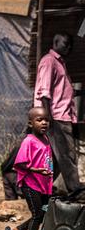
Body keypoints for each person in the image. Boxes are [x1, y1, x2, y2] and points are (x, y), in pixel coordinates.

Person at [34, 33, 80, 194]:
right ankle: (74, 189)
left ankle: (47, 189)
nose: (69, 47)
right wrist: (49, 118)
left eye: (70, 45)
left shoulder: (60, 63)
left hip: (63, 116)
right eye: (66, 44)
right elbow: (44, 92)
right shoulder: (49, 61)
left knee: (58, 158)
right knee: (65, 156)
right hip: (56, 117)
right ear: (56, 42)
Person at [5, 107, 53, 230]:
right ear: (31, 123)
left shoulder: (45, 139)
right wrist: (38, 171)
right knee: (37, 214)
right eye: (39, 120)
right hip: (31, 185)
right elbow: (19, 164)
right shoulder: (29, 141)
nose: (44, 123)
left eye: (46, 120)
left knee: (42, 213)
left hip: (44, 185)